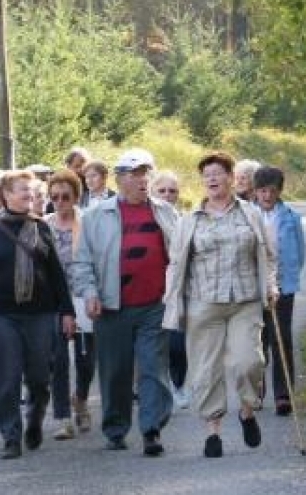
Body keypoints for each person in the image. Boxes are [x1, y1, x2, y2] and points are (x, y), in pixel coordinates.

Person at [163, 151, 278, 459]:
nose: (212, 179)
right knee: (205, 369)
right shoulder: (189, 221)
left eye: (217, 173)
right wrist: (173, 303)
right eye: (206, 175)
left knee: (249, 362)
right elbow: (175, 264)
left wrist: (271, 285)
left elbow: (267, 254)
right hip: (203, 303)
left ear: (231, 177)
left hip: (245, 301)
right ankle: (213, 431)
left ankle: (246, 411)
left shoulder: (250, 214)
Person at [72, 148, 177, 457]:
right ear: (120, 179)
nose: (143, 180)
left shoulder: (165, 212)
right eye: (135, 174)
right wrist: (89, 293)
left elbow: (182, 253)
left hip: (154, 305)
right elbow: (82, 262)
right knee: (115, 372)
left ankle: (151, 429)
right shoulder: (95, 215)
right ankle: (116, 428)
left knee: (152, 368)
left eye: (146, 173)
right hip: (111, 306)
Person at [0, 170, 76, 460]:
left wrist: (67, 311)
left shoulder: (42, 228)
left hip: (40, 314)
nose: (29, 195)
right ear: (6, 195)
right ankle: (11, 436)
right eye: (22, 190)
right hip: (0, 315)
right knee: (8, 377)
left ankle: (36, 418)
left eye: (31, 190)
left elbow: (56, 275)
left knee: (40, 378)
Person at [43, 170, 94, 438]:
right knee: (58, 359)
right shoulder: (43, 225)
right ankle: (63, 418)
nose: (60, 202)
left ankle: (82, 399)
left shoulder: (88, 223)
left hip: (83, 295)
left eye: (65, 196)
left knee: (86, 361)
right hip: (55, 301)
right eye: (54, 197)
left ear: (76, 197)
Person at [253, 166, 306, 416]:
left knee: (281, 337)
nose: (266, 196)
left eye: (272, 191)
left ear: (279, 191)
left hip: (283, 285)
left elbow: (300, 252)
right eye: (262, 190)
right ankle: (256, 390)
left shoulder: (291, 217)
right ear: (255, 192)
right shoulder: (247, 215)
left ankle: (284, 394)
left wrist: (287, 279)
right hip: (252, 287)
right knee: (256, 340)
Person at [149, 170, 189, 409]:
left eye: (172, 191)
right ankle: (156, 390)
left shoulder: (185, 220)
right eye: (161, 190)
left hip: (175, 289)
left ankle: (179, 384)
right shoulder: (144, 219)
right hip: (150, 290)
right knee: (153, 345)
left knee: (177, 344)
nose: (167, 195)